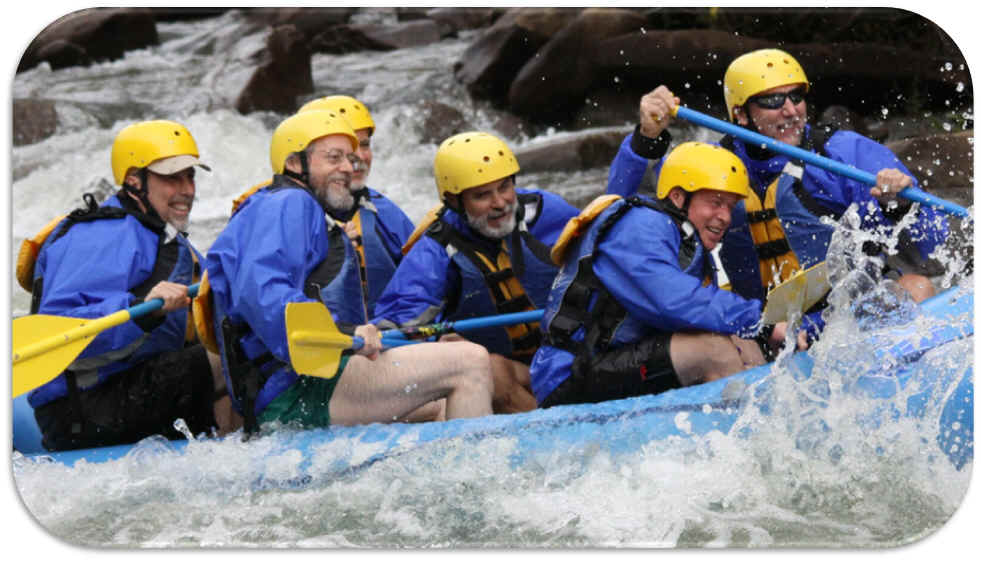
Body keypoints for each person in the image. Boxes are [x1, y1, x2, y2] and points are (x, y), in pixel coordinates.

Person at [606, 48, 948, 344]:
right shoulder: (709, 166)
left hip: (847, 314)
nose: (791, 111)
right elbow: (614, 211)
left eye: (796, 96)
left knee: (916, 287)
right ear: (740, 114)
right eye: (772, 101)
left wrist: (897, 204)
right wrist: (645, 139)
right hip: (766, 326)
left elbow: (935, 243)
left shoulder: (843, 152)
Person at [205, 110, 494, 432]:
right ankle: (476, 474)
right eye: (333, 158)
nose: (348, 167)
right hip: (294, 391)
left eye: (350, 157)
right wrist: (344, 334)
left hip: (308, 381)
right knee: (470, 361)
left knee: (439, 404)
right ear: (295, 163)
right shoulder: (288, 203)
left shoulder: (287, 207)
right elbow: (263, 293)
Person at [22, 120, 240, 451]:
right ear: (134, 180)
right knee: (232, 356)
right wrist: (138, 312)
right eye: (171, 177)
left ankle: (240, 444)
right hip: (83, 410)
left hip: (132, 387)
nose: (187, 189)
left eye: (190, 176)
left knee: (244, 341)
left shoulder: (166, 238)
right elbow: (59, 331)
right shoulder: (100, 235)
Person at [531, 142, 799, 408]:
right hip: (571, 373)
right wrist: (763, 321)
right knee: (714, 350)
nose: (725, 217)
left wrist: (757, 330)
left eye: (730, 206)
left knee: (743, 341)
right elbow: (675, 301)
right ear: (678, 197)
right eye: (716, 203)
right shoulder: (638, 226)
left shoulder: (683, 237)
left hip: (620, 359)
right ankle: (740, 440)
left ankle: (770, 427)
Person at [373, 131, 581, 414]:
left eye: (504, 187)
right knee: (490, 368)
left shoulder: (547, 212)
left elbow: (611, 245)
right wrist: (438, 345)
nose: (500, 203)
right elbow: (397, 325)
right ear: (454, 202)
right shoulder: (437, 250)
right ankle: (558, 437)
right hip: (512, 373)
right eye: (482, 195)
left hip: (573, 354)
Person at [230, 95, 415, 314]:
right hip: (320, 339)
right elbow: (263, 293)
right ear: (299, 160)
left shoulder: (383, 212)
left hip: (378, 334)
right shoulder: (276, 209)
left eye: (363, 145)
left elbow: (423, 284)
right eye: (337, 153)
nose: (356, 159)